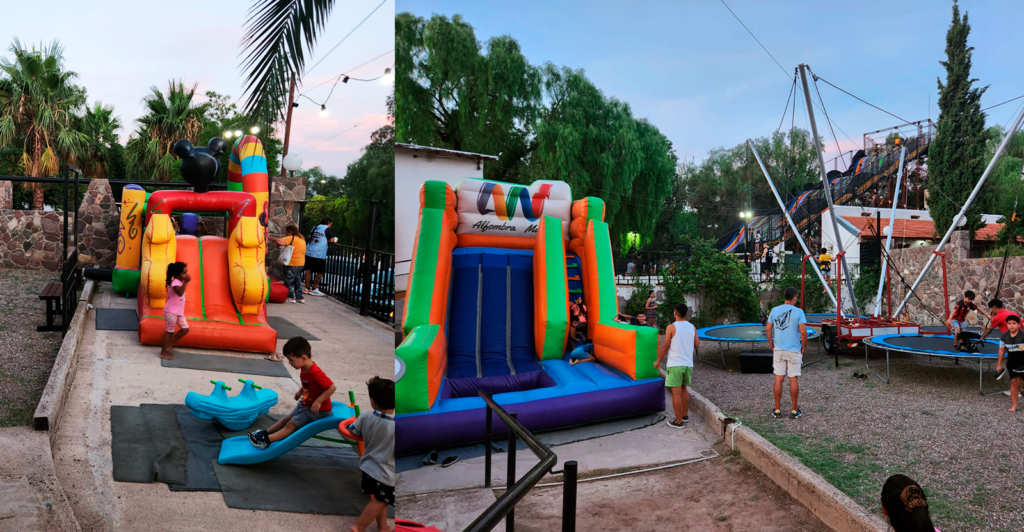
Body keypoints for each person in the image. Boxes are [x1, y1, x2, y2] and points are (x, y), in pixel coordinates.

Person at [248, 337, 337, 449]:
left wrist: (319, 401)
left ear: (303, 358)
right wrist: (300, 391)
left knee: (291, 425)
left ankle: (266, 440)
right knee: (287, 419)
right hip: (306, 403)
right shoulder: (304, 368)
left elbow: (331, 387)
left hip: (316, 410)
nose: (289, 363)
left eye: (291, 360)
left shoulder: (315, 372)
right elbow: (309, 384)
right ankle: (264, 433)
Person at [349, 377, 395, 532]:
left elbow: (353, 431)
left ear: (372, 401)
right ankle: (359, 526)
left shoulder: (366, 417)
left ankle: (383, 527)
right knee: (381, 501)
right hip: (386, 474)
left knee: (380, 499)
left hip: (368, 468)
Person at [766, 287, 808, 419]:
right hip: (794, 350)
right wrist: (804, 347)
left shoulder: (774, 310)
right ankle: (794, 410)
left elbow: (768, 329)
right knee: (793, 379)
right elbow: (803, 332)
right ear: (794, 297)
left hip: (779, 349)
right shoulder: (799, 312)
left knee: (779, 378)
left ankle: (777, 410)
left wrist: (771, 345)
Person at [654, 303, 698, 428]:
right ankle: (685, 415)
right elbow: (697, 344)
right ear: (686, 313)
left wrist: (657, 361)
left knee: (676, 393)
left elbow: (665, 346)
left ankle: (678, 421)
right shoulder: (692, 327)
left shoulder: (671, 327)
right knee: (684, 389)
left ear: (675, 313)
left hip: (675, 364)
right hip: (688, 364)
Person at [269, 225, 307, 304]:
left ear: (290, 232)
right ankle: (300, 297)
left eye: (286, 231)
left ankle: (290, 297)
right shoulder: (301, 238)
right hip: (301, 263)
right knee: (298, 280)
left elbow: (278, 241)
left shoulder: (291, 238)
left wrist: (267, 237)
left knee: (289, 280)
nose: (285, 233)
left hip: (292, 263)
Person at [161, 262, 191, 360]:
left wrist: (184, 282)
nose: (186, 275)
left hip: (178, 313)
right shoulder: (175, 283)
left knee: (185, 329)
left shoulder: (180, 282)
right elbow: (179, 293)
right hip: (171, 312)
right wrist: (186, 282)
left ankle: (170, 343)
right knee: (169, 332)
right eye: (184, 273)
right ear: (177, 275)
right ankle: (163, 352)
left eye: (186, 272)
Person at [303, 217, 338, 297]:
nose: (330, 225)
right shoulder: (326, 228)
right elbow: (331, 240)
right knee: (320, 272)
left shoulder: (315, 227)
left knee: (308, 270)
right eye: (331, 224)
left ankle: (307, 288)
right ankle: (314, 289)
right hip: (318, 253)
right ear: (328, 222)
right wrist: (335, 240)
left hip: (309, 251)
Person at [997, 315, 1024, 412]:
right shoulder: (1004, 336)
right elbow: (1001, 351)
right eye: (1009, 323)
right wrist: (999, 364)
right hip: (1012, 363)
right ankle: (1014, 405)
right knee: (1014, 382)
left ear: (1018, 324)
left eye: (1014, 323)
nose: (1011, 326)